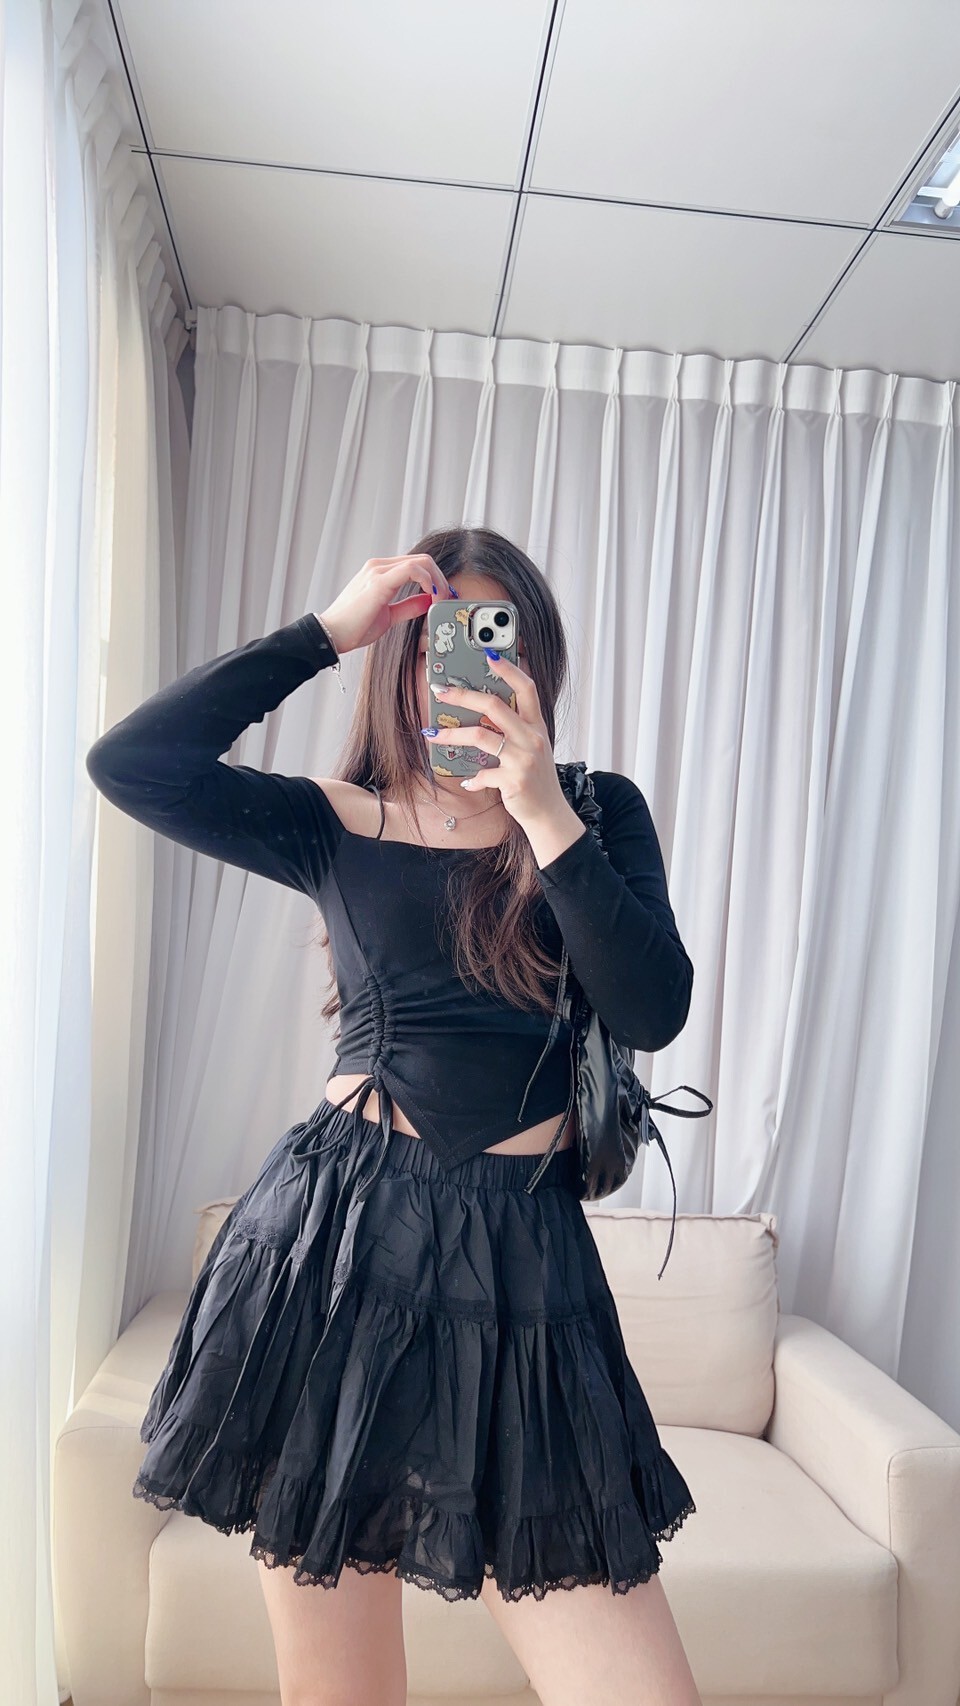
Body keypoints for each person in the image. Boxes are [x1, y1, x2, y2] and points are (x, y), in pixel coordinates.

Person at [85, 527, 702, 1706]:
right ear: (398, 661)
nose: (457, 665)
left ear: (534, 660)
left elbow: (652, 1007)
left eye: (489, 637)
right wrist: (325, 631)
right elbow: (133, 763)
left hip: (526, 1262)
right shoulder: (335, 818)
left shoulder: (594, 810)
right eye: (430, 641)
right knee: (342, 1691)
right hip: (337, 1246)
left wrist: (541, 812)